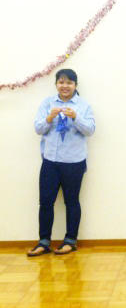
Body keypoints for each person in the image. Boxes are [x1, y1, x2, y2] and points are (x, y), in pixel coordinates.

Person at [28, 68, 95, 256]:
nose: (65, 86)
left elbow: (90, 130)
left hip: (74, 161)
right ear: (56, 84)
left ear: (75, 85)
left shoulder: (83, 105)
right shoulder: (47, 103)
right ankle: (43, 242)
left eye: (69, 82)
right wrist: (49, 117)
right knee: (45, 202)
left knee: (72, 202)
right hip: (50, 161)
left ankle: (70, 241)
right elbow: (38, 128)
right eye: (61, 82)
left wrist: (76, 117)